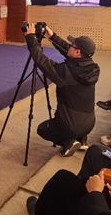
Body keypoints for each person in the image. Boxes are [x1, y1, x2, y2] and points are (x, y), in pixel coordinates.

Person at [24, 25, 99, 157]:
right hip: (89, 125)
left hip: (71, 126)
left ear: (78, 52)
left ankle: (68, 142)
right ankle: (82, 140)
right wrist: (52, 37)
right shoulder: (91, 67)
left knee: (42, 129)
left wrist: (30, 38)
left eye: (72, 45)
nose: (69, 46)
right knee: (78, 116)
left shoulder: (66, 72)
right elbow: (69, 52)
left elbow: (42, 61)